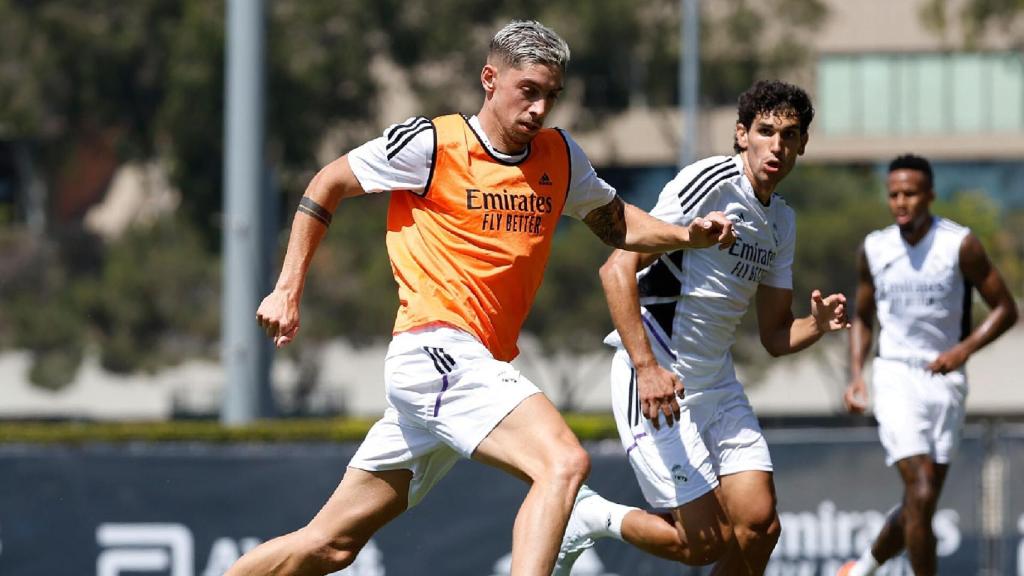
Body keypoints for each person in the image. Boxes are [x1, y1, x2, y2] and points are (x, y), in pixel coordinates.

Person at [225, 20, 737, 576]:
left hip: (471, 367)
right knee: (564, 462)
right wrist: (287, 287)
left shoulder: (560, 157)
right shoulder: (431, 144)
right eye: (529, 90)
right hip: (436, 349)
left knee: (328, 546)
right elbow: (327, 182)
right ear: (490, 79)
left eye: (551, 96)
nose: (540, 108)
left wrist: (689, 235)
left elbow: (616, 224)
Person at [553, 80, 851, 576]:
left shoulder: (782, 222)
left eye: (790, 135)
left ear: (802, 145)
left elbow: (776, 337)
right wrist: (647, 369)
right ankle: (592, 515)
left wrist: (815, 326)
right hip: (657, 376)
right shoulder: (710, 181)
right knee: (707, 543)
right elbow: (616, 269)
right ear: (741, 134)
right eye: (765, 131)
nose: (776, 145)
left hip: (717, 384)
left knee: (759, 528)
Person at [836, 154, 1018, 576]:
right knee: (918, 490)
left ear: (930, 196)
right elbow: (863, 317)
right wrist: (856, 375)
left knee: (921, 501)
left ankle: (860, 569)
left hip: (946, 382)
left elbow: (1005, 310)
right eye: (894, 194)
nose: (901, 202)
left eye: (910, 194)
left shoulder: (960, 244)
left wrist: (963, 350)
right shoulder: (875, 248)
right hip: (895, 374)